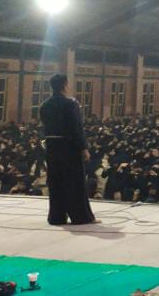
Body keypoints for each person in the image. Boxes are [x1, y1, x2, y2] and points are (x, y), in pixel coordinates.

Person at [40, 74, 97, 226]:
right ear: (65, 85)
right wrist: (83, 148)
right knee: (74, 182)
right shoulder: (70, 103)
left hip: (52, 146)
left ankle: (56, 217)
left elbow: (44, 127)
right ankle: (81, 217)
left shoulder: (44, 105)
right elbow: (76, 128)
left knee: (55, 181)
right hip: (69, 147)